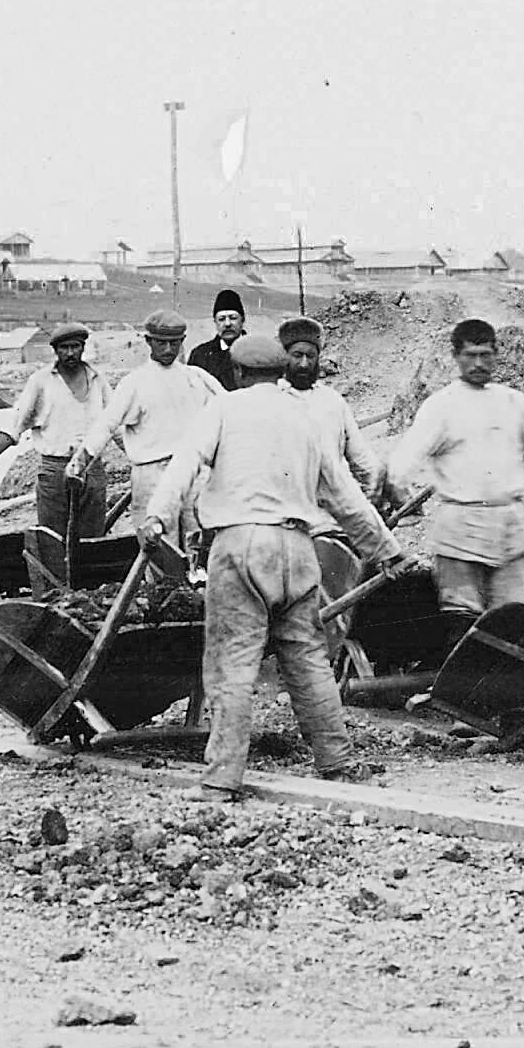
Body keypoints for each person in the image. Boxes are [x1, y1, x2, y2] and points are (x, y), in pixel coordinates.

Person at [138, 333, 423, 795]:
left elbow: (185, 464)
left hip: (241, 545)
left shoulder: (223, 408)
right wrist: (386, 551)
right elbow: (344, 494)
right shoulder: (306, 417)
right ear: (280, 372)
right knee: (308, 659)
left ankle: (222, 780)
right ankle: (336, 761)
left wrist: (157, 516)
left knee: (233, 663)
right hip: (299, 548)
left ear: (238, 373)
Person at [387, 317, 524, 616]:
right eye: (470, 355)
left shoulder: (514, 402)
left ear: (496, 354)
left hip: (509, 530)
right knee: (461, 615)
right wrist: (398, 497)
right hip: (460, 531)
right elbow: (402, 464)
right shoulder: (440, 406)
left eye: (485, 355)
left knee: (512, 617)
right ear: (455, 356)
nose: (478, 363)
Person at [75, 310, 220, 546]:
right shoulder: (135, 383)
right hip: (152, 474)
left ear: (182, 341)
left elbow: (226, 410)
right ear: (148, 341)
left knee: (198, 540)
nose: (168, 349)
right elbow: (107, 424)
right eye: (161, 343)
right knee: (159, 545)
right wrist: (80, 461)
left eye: (174, 343)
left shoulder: (197, 378)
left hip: (193, 472)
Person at [0, 325, 107, 556]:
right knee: (52, 540)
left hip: (92, 470)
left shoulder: (98, 380)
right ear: (55, 350)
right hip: (54, 470)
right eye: (64, 348)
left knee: (93, 539)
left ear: (83, 348)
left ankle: (88, 579)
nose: (70, 353)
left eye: (75, 347)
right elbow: (15, 426)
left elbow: (115, 425)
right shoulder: (40, 382)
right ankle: (55, 579)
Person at [276, 316, 387, 501]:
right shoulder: (271, 398)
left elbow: (361, 458)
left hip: (333, 503)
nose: (304, 363)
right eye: (297, 355)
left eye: (310, 356)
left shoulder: (332, 401)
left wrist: (374, 492)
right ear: (285, 356)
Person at [187, 290, 250, 390]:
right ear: (215, 322)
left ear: (242, 320)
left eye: (233, 318)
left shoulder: (256, 354)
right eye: (221, 319)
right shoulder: (200, 355)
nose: (227, 324)